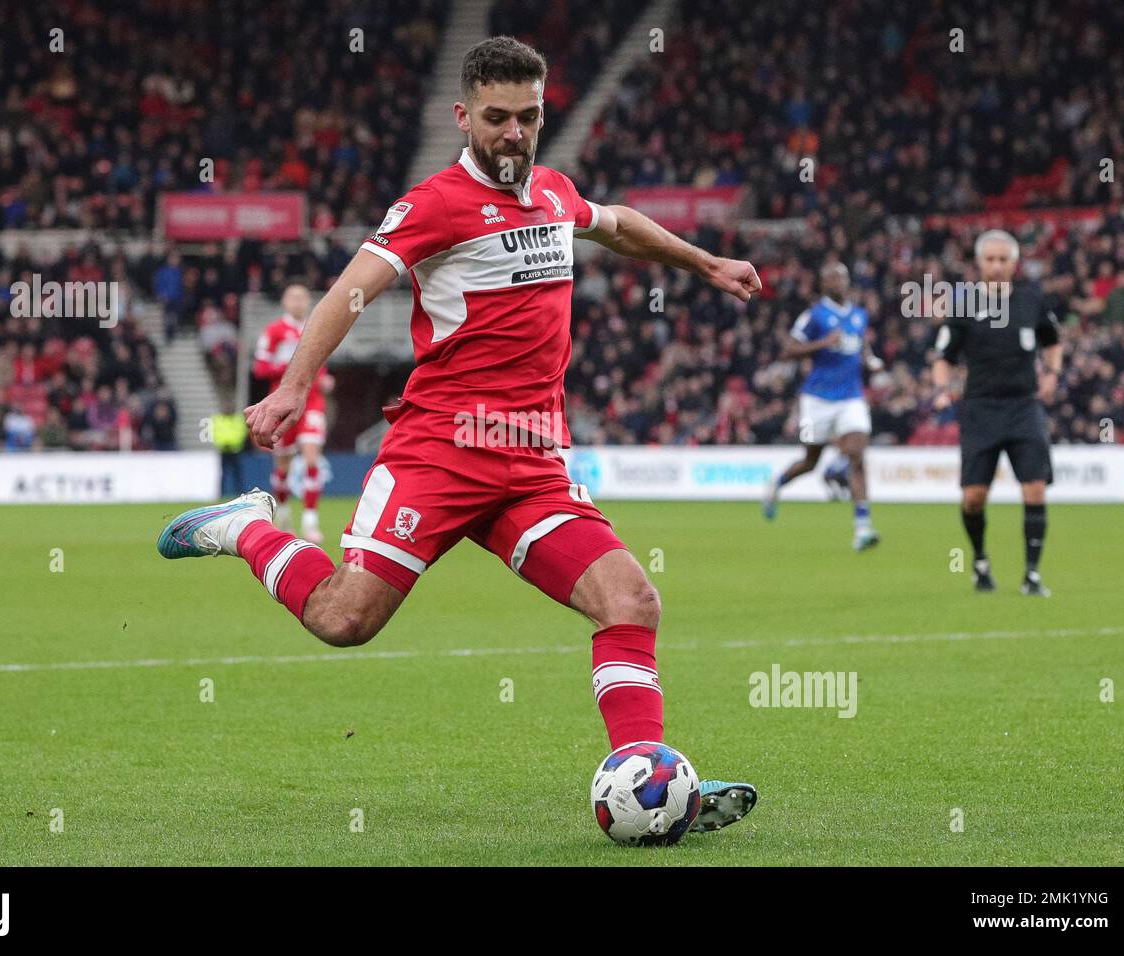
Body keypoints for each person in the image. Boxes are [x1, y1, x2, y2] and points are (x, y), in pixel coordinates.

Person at [157, 37, 761, 831]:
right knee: (344, 621)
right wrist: (295, 386)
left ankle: (648, 780)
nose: (514, 133)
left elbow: (616, 227)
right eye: (497, 117)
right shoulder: (435, 205)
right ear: (464, 116)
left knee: (631, 599)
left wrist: (705, 262)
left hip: (533, 462)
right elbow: (352, 288)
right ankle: (246, 529)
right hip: (439, 453)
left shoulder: (553, 195)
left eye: (529, 116)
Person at [932, 230, 1062, 595]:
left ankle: (1032, 575)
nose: (997, 266)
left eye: (1003, 259)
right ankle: (979, 561)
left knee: (1035, 489)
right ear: (979, 263)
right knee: (974, 497)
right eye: (990, 259)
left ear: (1014, 263)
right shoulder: (964, 304)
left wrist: (1051, 374)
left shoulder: (1031, 301)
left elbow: (1052, 342)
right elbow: (943, 358)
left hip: (1024, 407)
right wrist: (943, 390)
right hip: (980, 409)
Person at [762, 262, 883, 550]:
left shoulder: (858, 314)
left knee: (857, 455)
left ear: (847, 280)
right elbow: (789, 350)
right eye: (830, 278)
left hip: (851, 396)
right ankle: (776, 485)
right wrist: (823, 343)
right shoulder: (814, 316)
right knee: (810, 461)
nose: (836, 282)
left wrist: (871, 360)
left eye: (841, 277)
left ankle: (862, 527)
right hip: (817, 398)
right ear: (823, 284)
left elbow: (861, 344)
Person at [252, 284, 334, 541]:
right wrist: (291, 370)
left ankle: (310, 522)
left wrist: (324, 379)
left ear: (309, 301)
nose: (298, 302)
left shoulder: (316, 328)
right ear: (285, 302)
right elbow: (260, 368)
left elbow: (320, 363)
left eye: (302, 297)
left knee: (312, 459)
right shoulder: (274, 331)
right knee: (283, 466)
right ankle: (284, 513)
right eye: (293, 297)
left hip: (313, 402)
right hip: (283, 403)